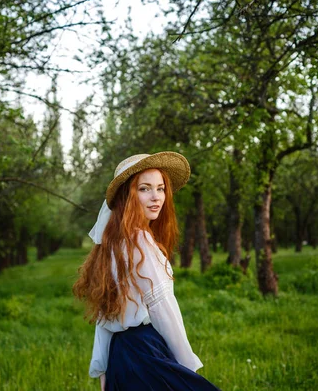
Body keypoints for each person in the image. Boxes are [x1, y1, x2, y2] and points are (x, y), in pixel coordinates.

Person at [73, 152, 220, 391]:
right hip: (145, 352)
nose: (156, 197)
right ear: (127, 196)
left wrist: (103, 370)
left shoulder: (113, 242)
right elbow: (162, 307)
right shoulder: (139, 240)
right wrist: (186, 367)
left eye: (161, 188)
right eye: (144, 189)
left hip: (120, 357)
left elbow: (105, 317)